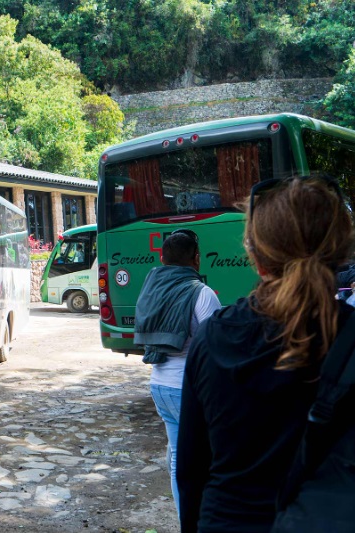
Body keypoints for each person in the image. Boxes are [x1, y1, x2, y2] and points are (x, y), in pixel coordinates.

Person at [177, 176, 354, 532]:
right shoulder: (347, 337)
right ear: (343, 252)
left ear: (256, 258)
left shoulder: (213, 336)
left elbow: (191, 469)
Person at [134, 229, 222, 516]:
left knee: (177, 460)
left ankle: (186, 520)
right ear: (197, 259)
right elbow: (217, 345)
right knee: (205, 462)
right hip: (189, 390)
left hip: (159, 385)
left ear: (162, 258)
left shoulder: (152, 287)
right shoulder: (202, 293)